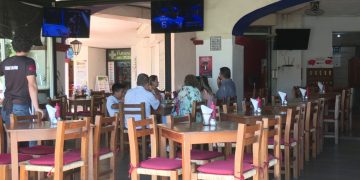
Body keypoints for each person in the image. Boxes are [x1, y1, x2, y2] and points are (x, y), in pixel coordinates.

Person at [0, 35, 44, 124]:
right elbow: (32, 85)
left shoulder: (6, 62)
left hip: (6, 107)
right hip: (20, 107)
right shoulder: (28, 62)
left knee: (11, 136)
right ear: (29, 47)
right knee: (24, 136)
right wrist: (37, 108)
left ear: (14, 47)